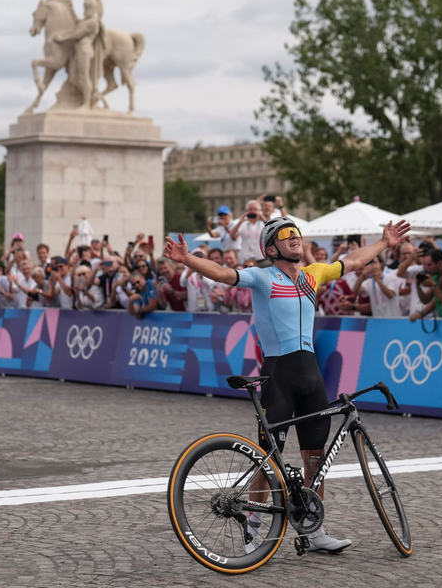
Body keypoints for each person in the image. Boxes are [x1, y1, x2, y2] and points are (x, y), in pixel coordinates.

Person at [164, 215, 411, 554]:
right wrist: (187, 258)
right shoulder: (263, 278)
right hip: (278, 374)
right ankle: (252, 530)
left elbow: (352, 262)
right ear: (270, 248)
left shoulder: (314, 273)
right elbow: (224, 274)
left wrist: (385, 242)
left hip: (311, 374)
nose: (295, 237)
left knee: (315, 458)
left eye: (296, 232)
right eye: (286, 234)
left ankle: (313, 531)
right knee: (267, 459)